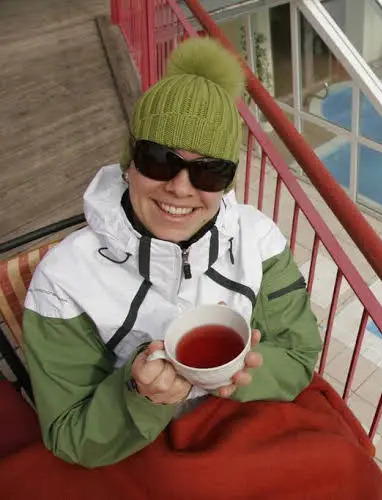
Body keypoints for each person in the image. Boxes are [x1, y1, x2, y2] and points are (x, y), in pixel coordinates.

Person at [22, 38, 322, 468]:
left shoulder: (258, 239)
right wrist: (139, 394)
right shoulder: (62, 282)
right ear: (129, 162)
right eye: (159, 159)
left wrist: (235, 373)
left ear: (228, 181)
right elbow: (70, 434)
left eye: (209, 170)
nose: (180, 188)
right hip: (139, 457)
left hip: (245, 428)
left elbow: (299, 355)